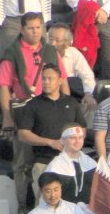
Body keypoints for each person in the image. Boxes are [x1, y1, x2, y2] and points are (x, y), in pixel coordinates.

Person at [0, 12, 69, 214]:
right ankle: (23, 206)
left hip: (49, 108)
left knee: (52, 161)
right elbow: (3, 86)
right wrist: (7, 117)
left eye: (39, 27)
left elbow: (62, 78)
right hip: (23, 110)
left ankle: (52, 206)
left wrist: (66, 105)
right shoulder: (12, 53)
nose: (35, 31)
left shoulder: (50, 50)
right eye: (31, 27)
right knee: (22, 163)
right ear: (22, 29)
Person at [17, 64, 88, 199]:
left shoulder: (72, 103)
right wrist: (50, 142)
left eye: (50, 79)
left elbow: (82, 129)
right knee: (44, 204)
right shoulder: (33, 105)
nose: (46, 82)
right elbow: (23, 134)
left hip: (70, 163)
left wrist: (72, 143)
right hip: (44, 162)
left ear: (60, 81)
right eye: (44, 79)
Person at [47, 24, 97, 114]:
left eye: (57, 40)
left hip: (70, 96)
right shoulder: (42, 53)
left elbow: (87, 75)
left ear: (67, 42)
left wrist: (88, 94)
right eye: (50, 39)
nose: (53, 43)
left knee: (89, 103)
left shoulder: (74, 53)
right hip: (47, 95)